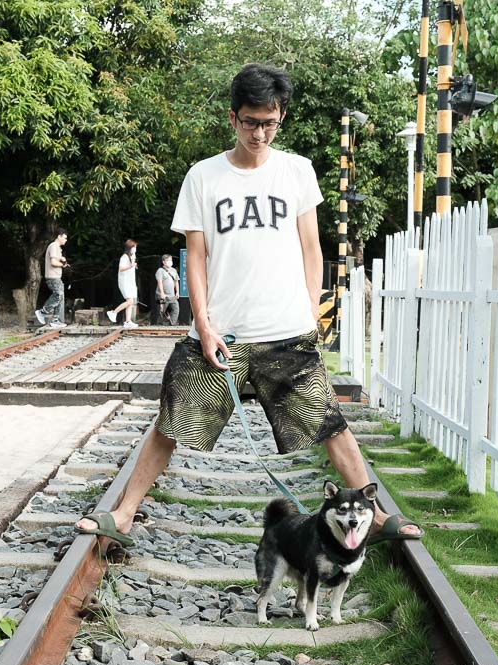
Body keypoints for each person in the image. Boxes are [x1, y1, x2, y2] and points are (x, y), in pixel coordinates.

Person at [76, 63, 422, 546]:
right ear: (233, 117)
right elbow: (195, 257)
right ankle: (126, 512)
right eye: (251, 122)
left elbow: (310, 249)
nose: (260, 133)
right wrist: (203, 323)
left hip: (286, 332)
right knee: (170, 424)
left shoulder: (297, 170)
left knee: (331, 425)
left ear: (280, 118)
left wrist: (310, 312)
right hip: (222, 337)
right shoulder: (203, 176)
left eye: (270, 122)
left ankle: (377, 514)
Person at [35, 230, 69, 329]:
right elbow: (53, 262)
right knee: (58, 295)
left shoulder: (58, 248)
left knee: (61, 297)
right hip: (52, 277)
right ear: (59, 236)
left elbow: (58, 261)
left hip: (57, 277)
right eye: (65, 238)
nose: (66, 240)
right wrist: (63, 265)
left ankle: (55, 320)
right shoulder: (54, 246)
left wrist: (63, 261)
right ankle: (42, 312)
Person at [107, 239, 139, 329]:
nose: (135, 249)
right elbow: (121, 268)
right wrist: (131, 266)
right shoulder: (124, 257)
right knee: (129, 301)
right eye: (134, 247)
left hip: (131, 282)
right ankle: (113, 312)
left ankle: (128, 321)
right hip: (125, 282)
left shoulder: (132, 256)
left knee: (131, 302)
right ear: (130, 247)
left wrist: (133, 264)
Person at [155, 254, 181, 326]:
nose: (170, 262)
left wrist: (177, 292)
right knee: (162, 311)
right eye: (168, 260)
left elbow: (176, 281)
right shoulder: (160, 271)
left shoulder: (174, 270)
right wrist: (162, 293)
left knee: (176, 309)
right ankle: (161, 325)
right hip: (162, 295)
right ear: (163, 262)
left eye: (171, 260)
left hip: (172, 295)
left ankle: (172, 324)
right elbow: (159, 282)